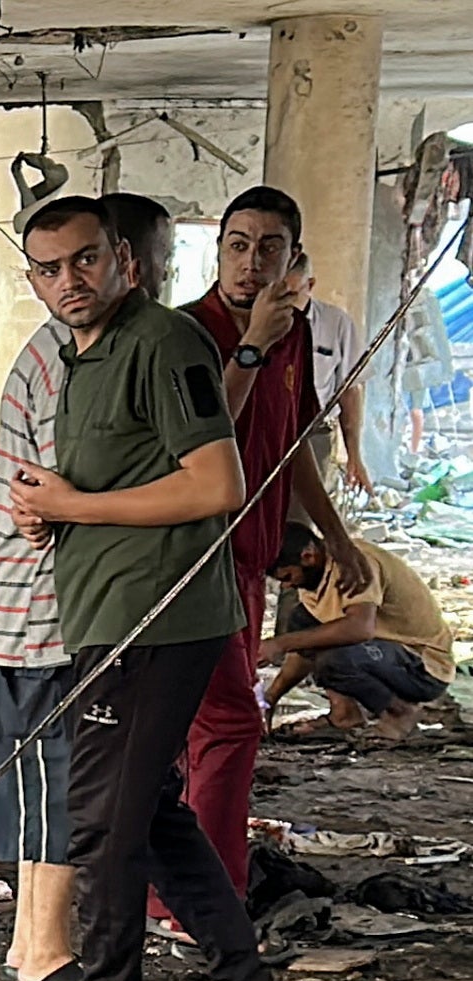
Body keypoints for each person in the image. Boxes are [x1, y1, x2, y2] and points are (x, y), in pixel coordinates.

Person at [0, 194, 272, 981]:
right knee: (148, 817)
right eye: (48, 268)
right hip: (106, 614)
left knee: (104, 828)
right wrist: (55, 515)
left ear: (123, 257)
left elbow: (216, 484)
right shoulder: (86, 357)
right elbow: (119, 478)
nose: (68, 280)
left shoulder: (163, 343)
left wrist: (77, 505)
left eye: (83, 260)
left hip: (157, 620)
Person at [174, 184, 370, 908]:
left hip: (252, 559)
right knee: (227, 723)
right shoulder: (186, 332)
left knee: (208, 728)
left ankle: (192, 888)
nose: (251, 262)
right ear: (216, 250)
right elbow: (206, 430)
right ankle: (201, 899)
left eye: (268, 248)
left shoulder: (293, 336)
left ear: (295, 259)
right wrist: (250, 344)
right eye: (237, 244)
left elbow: (291, 448)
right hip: (193, 560)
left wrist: (339, 539)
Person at [0, 249, 79, 981]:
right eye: (51, 268)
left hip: (25, 615)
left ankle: (28, 942)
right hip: (38, 617)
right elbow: (43, 502)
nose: (70, 281)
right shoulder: (61, 361)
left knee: (39, 782)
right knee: (51, 785)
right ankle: (43, 950)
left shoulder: (55, 354)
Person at [261, 525, 451, 740]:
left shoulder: (354, 563)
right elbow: (301, 653)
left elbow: (359, 628)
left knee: (333, 659)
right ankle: (344, 714)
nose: (287, 586)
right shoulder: (317, 575)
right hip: (385, 654)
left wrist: (280, 644)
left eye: (287, 576)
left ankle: (400, 712)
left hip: (422, 668)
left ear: (308, 556)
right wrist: (270, 698)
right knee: (302, 622)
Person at [303, 295, 371, 492]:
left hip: (314, 433)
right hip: (265, 432)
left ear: (309, 285)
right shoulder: (258, 321)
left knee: (304, 513)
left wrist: (354, 455)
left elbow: (349, 390)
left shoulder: (334, 322)